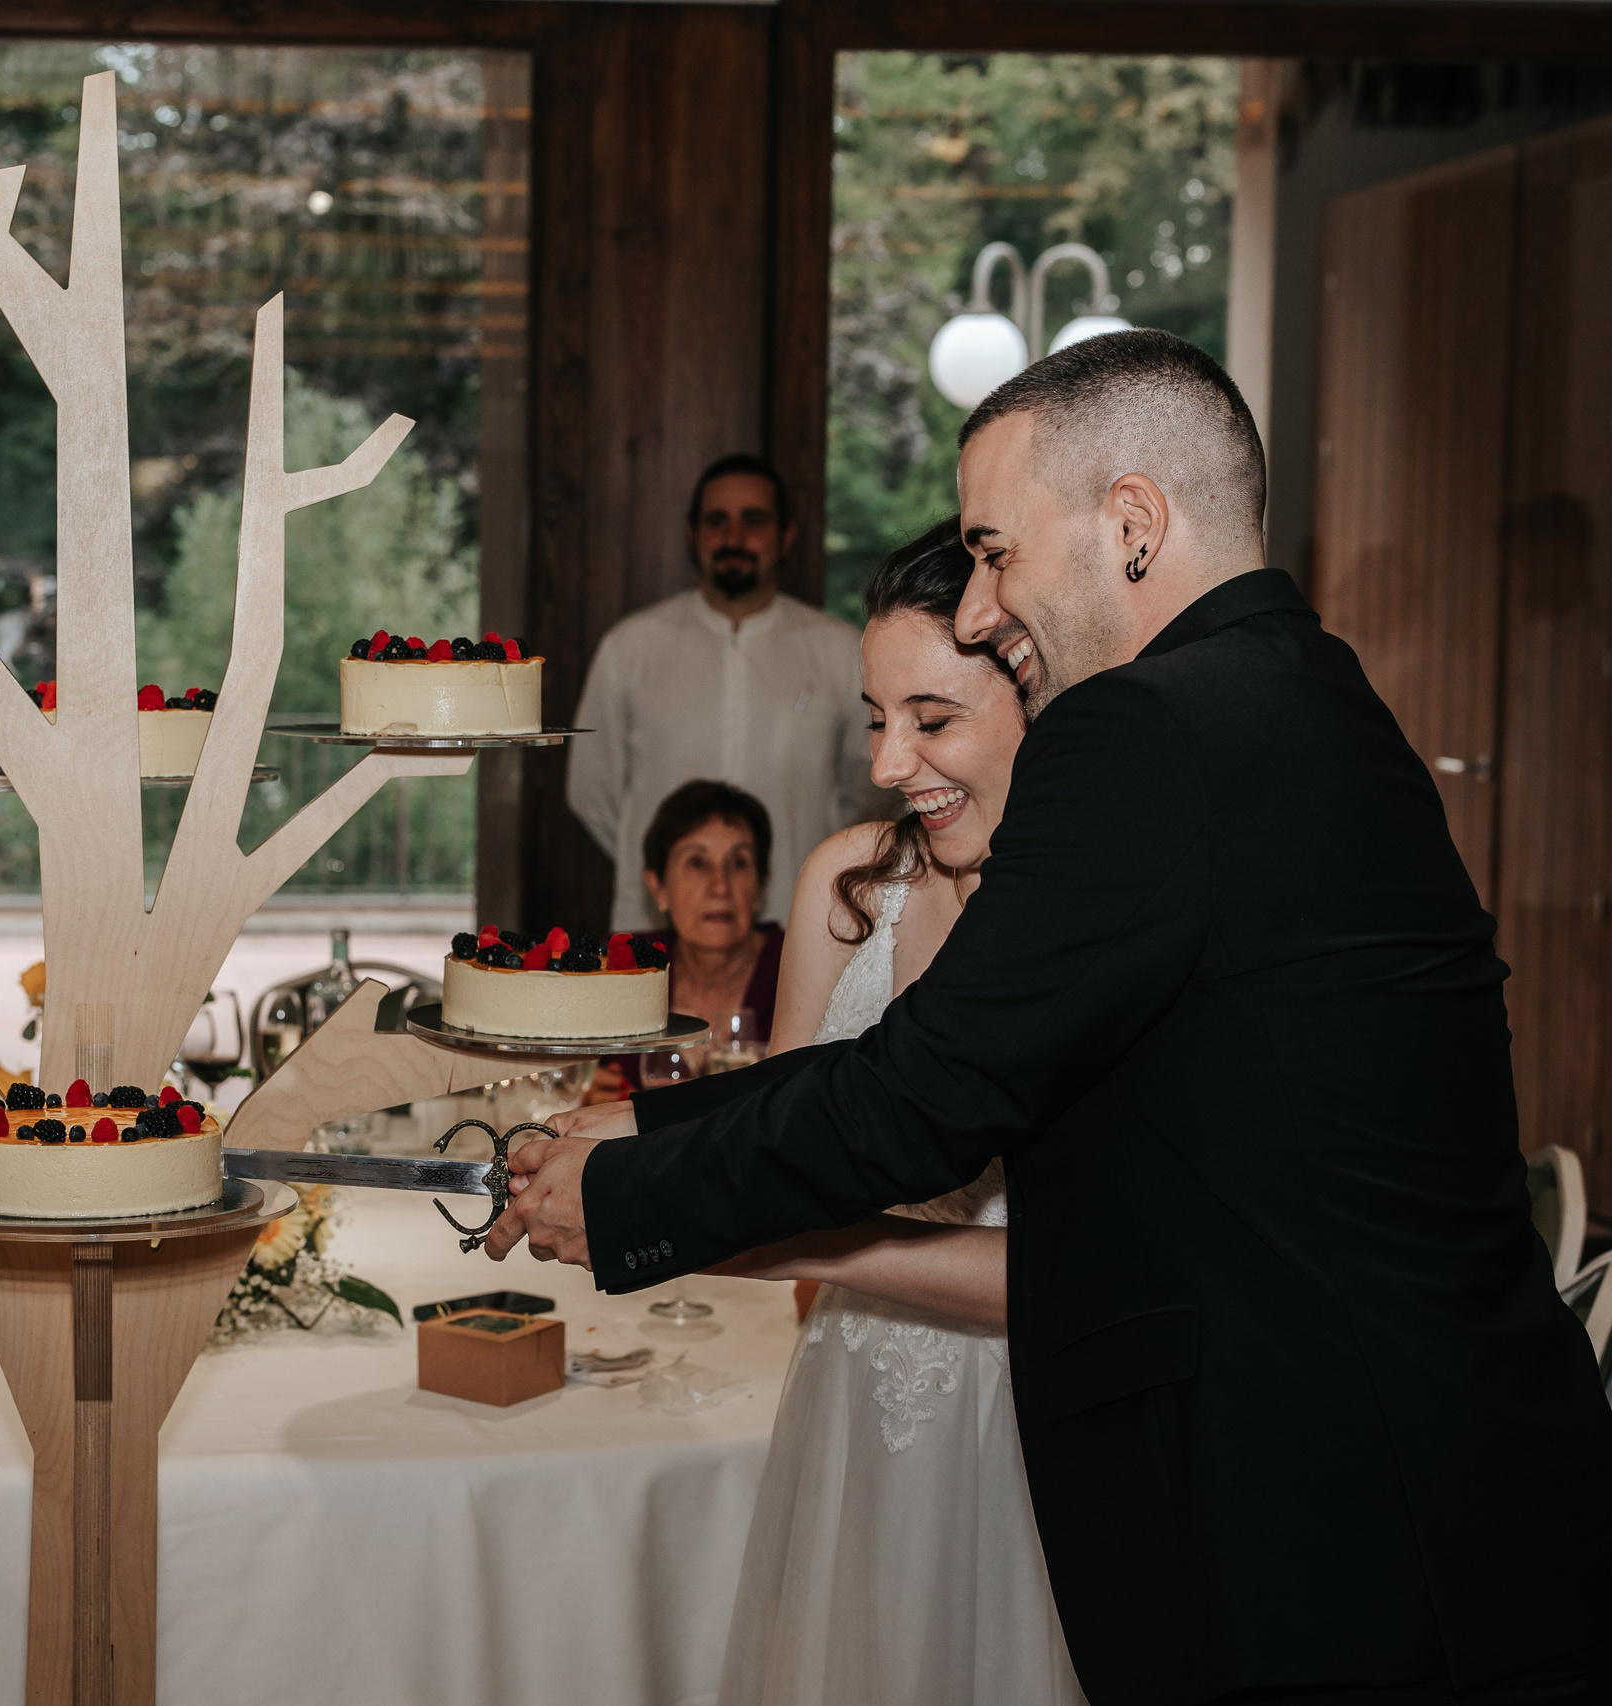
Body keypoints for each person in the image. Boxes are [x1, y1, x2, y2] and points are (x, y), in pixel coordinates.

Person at [494, 330, 1612, 1702]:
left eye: (994, 549)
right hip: (1445, 1477)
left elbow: (928, 1091)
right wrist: (651, 1117)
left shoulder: (1142, 727)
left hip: (1320, 1516)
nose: (974, 606)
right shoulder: (1314, 693)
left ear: (1132, 523)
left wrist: (626, 1195)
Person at [704, 518, 1082, 1703]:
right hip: (855, 1397)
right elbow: (777, 1145)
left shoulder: (1105, 917)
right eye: (876, 719)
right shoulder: (843, 884)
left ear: (1036, 701)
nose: (887, 761)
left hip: (1044, 1415)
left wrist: (793, 1242)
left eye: (931, 719)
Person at [569, 454, 880, 930]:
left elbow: (869, 788)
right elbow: (593, 791)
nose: (734, 539)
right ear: (694, 536)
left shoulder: (840, 652)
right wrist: (666, 869)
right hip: (656, 929)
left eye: (753, 521)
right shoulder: (630, 648)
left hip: (797, 925)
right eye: (717, 522)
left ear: (786, 537)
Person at [580, 780, 784, 1104]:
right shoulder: (623, 968)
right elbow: (556, 1079)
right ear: (658, 887)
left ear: (760, 885)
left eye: (739, 863)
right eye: (697, 863)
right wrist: (579, 1092)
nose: (720, 887)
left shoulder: (795, 968)